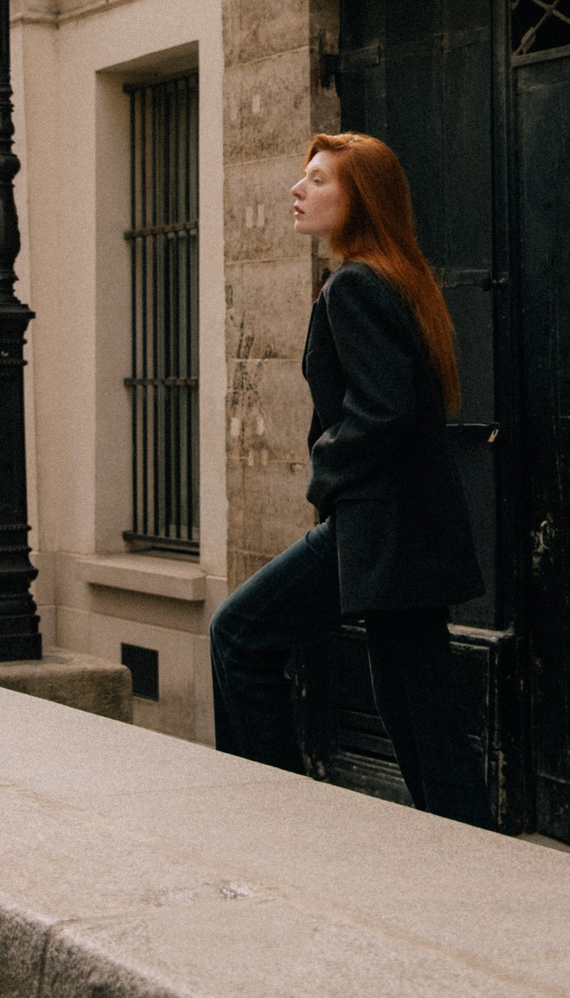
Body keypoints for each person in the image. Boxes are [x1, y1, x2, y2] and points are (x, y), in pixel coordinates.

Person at [207, 131, 490, 827]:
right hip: (409, 525)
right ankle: (473, 849)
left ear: (359, 198)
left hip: (378, 522)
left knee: (238, 635)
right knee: (417, 700)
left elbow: (384, 409)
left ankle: (275, 818)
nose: (297, 190)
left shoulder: (355, 285)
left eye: (318, 179)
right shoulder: (399, 279)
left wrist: (325, 475)